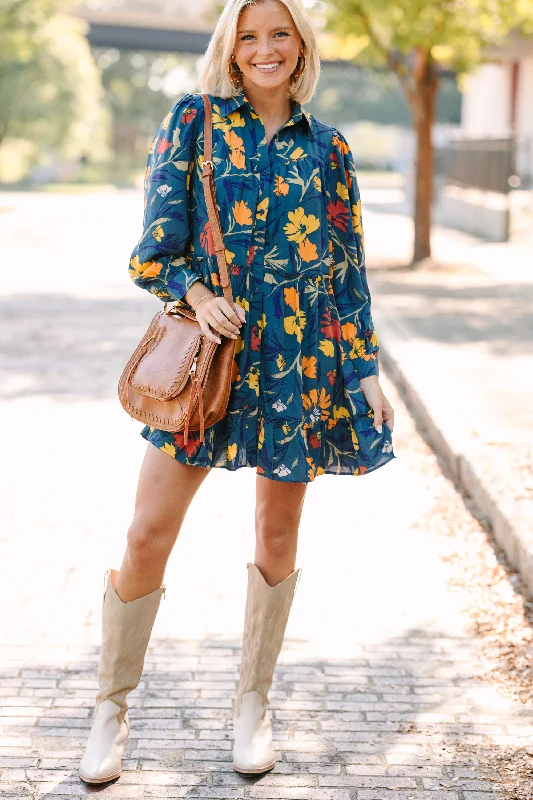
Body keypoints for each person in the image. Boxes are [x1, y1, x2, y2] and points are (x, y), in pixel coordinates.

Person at [79, 0, 395, 784]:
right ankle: (109, 710)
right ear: (230, 47)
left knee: (276, 538)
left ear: (300, 47)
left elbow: (347, 275)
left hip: (298, 364)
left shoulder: (331, 149)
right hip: (209, 363)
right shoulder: (192, 122)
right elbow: (152, 252)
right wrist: (194, 292)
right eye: (248, 36)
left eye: (278, 34)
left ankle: (254, 704)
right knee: (148, 532)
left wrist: (365, 370)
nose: (264, 48)